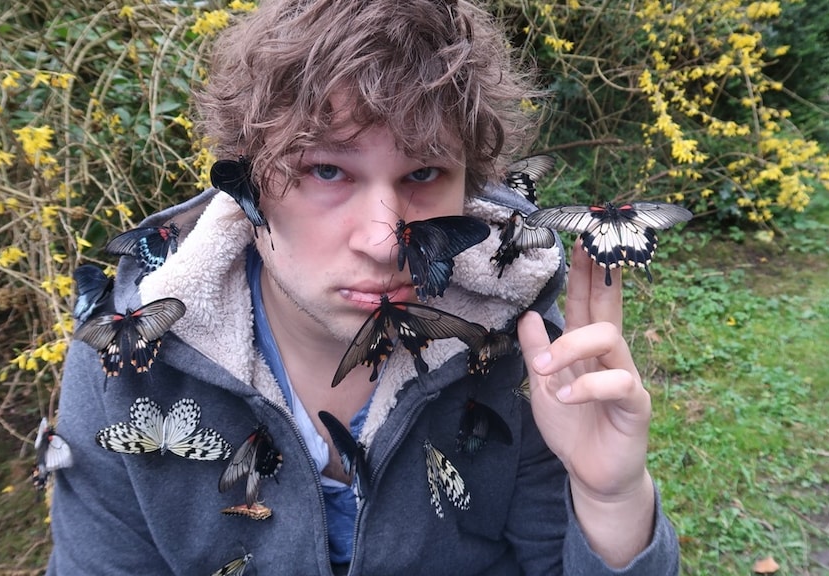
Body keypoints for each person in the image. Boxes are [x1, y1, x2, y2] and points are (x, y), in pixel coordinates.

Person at [45, 1, 680, 574]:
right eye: (327, 170)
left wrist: (611, 501)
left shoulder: (521, 342)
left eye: (425, 171)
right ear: (246, 183)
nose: (383, 240)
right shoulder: (128, 362)